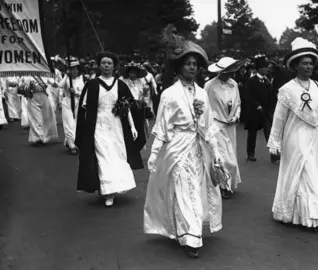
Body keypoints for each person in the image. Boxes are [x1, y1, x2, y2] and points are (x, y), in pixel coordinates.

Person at [144, 27, 224, 258]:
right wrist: (154, 152)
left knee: (195, 190)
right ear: (178, 67)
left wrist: (216, 153)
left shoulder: (201, 94)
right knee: (182, 190)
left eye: (194, 64)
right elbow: (161, 126)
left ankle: (189, 231)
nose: (191, 67)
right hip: (177, 147)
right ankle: (190, 236)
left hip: (197, 148)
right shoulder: (169, 95)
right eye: (187, 63)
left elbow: (209, 127)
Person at [267, 37, 318, 231]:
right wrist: (274, 141)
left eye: (311, 64)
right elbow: (279, 118)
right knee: (301, 171)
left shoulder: (317, 87)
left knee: (310, 172)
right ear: (296, 66)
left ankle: (305, 216)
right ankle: (306, 215)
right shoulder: (287, 90)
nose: (309, 67)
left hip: (314, 137)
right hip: (294, 137)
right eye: (304, 64)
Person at [75, 51, 146, 207]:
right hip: (98, 125)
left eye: (109, 63)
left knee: (117, 155)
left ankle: (115, 188)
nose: (106, 66)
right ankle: (107, 191)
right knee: (103, 156)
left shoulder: (120, 85)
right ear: (99, 65)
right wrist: (84, 130)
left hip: (117, 126)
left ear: (114, 66)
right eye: (103, 63)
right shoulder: (92, 84)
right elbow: (84, 108)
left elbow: (129, 107)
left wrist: (133, 126)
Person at [204, 57, 244, 199]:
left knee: (231, 154)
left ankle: (228, 183)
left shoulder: (234, 84)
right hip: (216, 124)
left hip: (230, 126)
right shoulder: (209, 85)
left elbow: (238, 102)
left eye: (231, 72)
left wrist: (237, 115)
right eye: (227, 72)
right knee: (223, 157)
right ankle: (223, 185)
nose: (229, 75)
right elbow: (204, 105)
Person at [244, 54, 278, 163]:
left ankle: (274, 155)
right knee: (252, 134)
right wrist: (256, 104)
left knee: (269, 133)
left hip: (265, 112)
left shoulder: (267, 80)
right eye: (264, 68)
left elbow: (270, 95)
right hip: (254, 112)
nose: (266, 69)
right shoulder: (251, 80)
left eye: (267, 67)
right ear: (259, 69)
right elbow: (248, 95)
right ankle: (250, 154)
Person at [60, 59, 86, 155]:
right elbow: (60, 85)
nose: (74, 71)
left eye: (76, 69)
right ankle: (72, 146)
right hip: (67, 102)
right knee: (69, 123)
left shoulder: (81, 79)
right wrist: (66, 75)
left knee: (75, 124)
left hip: (77, 102)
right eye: (72, 69)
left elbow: (84, 92)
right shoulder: (67, 79)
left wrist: (76, 92)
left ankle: (69, 141)